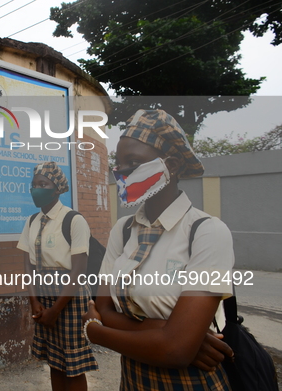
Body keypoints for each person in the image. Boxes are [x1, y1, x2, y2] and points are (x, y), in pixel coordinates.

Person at [82, 109, 235, 390]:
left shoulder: (206, 232)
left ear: (172, 165)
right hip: (132, 376)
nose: (122, 171)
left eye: (134, 161)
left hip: (192, 381)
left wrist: (95, 332)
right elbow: (103, 307)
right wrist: (173, 334)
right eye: (119, 163)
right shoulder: (123, 230)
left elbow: (175, 351)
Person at [17, 161, 97, 391]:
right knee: (54, 361)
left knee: (72, 365)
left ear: (57, 188)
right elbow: (28, 266)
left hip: (69, 299)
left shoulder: (73, 220)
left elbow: (79, 270)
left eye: (43, 184)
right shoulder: (31, 221)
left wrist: (55, 310)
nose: (36, 189)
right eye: (34, 185)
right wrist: (34, 302)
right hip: (43, 298)